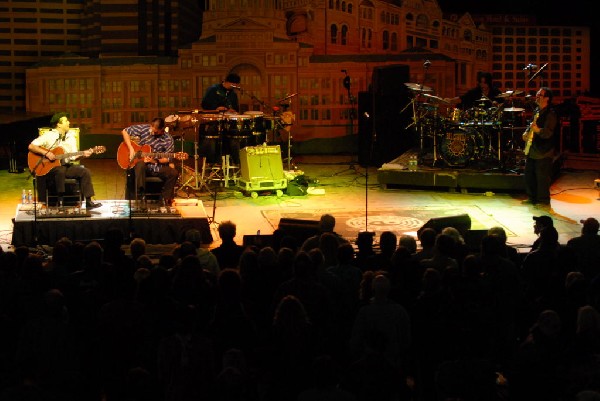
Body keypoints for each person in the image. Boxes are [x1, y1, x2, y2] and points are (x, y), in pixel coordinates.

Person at [28, 112, 102, 209]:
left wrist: (84, 154)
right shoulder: (49, 135)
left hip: (65, 165)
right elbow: (31, 146)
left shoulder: (71, 137)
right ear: (58, 124)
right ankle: (60, 201)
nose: (69, 122)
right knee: (60, 170)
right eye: (66, 121)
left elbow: (74, 156)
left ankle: (88, 201)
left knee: (85, 172)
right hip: (48, 169)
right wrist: (46, 153)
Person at [121, 117, 179, 206]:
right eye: (151, 129)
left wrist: (154, 160)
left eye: (155, 131)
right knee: (140, 165)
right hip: (143, 165)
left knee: (173, 173)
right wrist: (131, 148)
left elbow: (167, 158)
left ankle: (165, 199)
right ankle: (141, 196)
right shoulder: (144, 129)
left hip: (158, 166)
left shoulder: (168, 139)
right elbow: (125, 131)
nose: (152, 132)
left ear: (162, 130)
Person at [521, 87, 557, 207]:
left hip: (544, 151)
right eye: (537, 94)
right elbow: (532, 125)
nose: (537, 97)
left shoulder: (550, 114)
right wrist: (527, 132)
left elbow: (548, 133)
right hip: (533, 148)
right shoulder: (537, 111)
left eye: (540, 95)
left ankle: (543, 201)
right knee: (529, 175)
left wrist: (537, 130)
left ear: (547, 98)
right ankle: (532, 198)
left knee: (542, 178)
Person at [200, 72, 243, 164]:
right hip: (214, 123)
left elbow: (236, 109)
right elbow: (204, 104)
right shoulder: (213, 90)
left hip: (229, 124)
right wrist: (216, 108)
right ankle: (213, 162)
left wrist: (233, 111)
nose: (234, 87)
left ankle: (236, 162)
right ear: (228, 82)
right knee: (212, 141)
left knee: (235, 139)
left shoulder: (233, 94)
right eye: (233, 84)